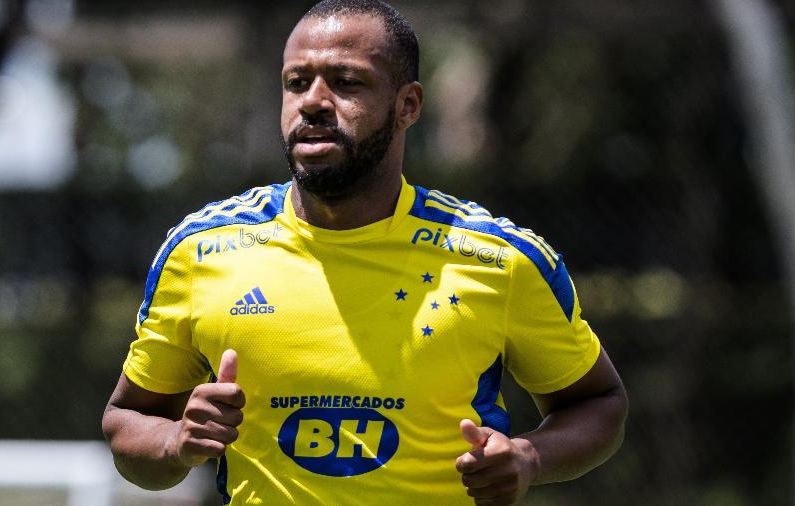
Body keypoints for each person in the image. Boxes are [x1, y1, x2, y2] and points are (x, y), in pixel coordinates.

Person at [102, 0, 629, 504]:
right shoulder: (202, 251)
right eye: (296, 82)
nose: (312, 100)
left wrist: (529, 459)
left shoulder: (498, 259)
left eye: (347, 81)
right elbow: (127, 423)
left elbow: (599, 404)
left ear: (408, 105)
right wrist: (177, 443)